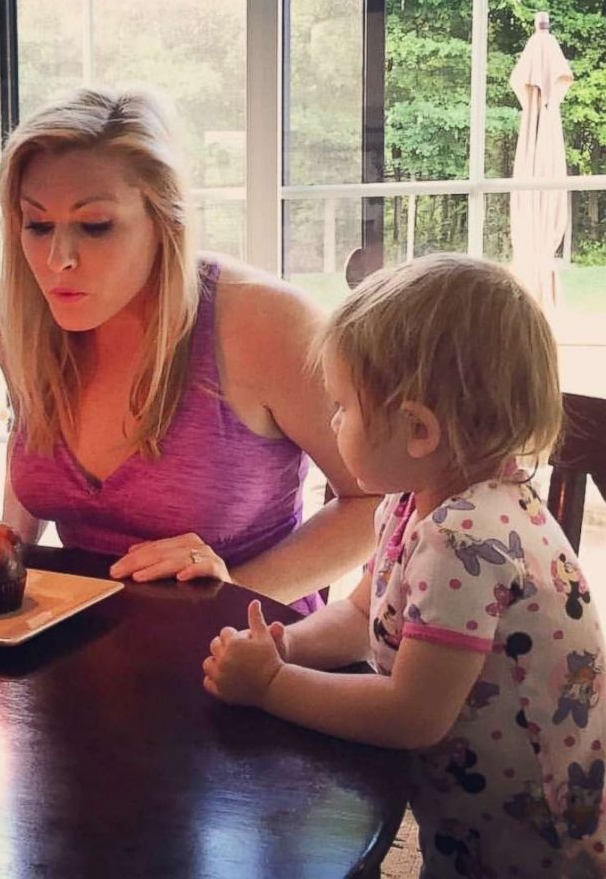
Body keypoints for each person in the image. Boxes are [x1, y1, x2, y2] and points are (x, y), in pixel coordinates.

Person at [203, 254, 605, 876]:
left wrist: (272, 687)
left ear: (418, 429)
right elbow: (362, 612)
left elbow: (411, 714)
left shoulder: (466, 542)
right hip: (471, 811)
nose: (332, 422)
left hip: (537, 842)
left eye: (342, 406)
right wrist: (285, 646)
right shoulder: (412, 503)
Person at [0, 87, 378, 611]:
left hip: (248, 651)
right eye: (37, 224)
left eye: (95, 226)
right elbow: (32, 437)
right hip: (83, 637)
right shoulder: (15, 314)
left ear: (165, 220)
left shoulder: (265, 323)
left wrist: (232, 590)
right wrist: (0, 549)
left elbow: (373, 500)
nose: (57, 260)